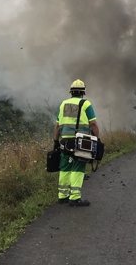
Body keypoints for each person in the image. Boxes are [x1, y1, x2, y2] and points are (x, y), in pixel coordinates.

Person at [53, 79, 100, 207]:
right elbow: (93, 124)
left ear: (71, 92)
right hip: (80, 141)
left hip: (64, 141)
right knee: (78, 168)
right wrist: (97, 138)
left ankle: (62, 196)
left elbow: (57, 126)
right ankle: (75, 198)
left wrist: (56, 141)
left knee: (65, 168)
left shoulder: (63, 104)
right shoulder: (86, 104)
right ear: (83, 93)